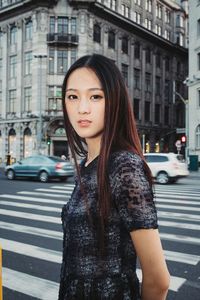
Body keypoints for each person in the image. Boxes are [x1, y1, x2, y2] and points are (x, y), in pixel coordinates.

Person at [58, 54, 170, 300]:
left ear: (114, 101)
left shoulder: (123, 166)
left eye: (95, 96)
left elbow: (158, 279)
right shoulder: (89, 164)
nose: (82, 108)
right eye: (72, 96)